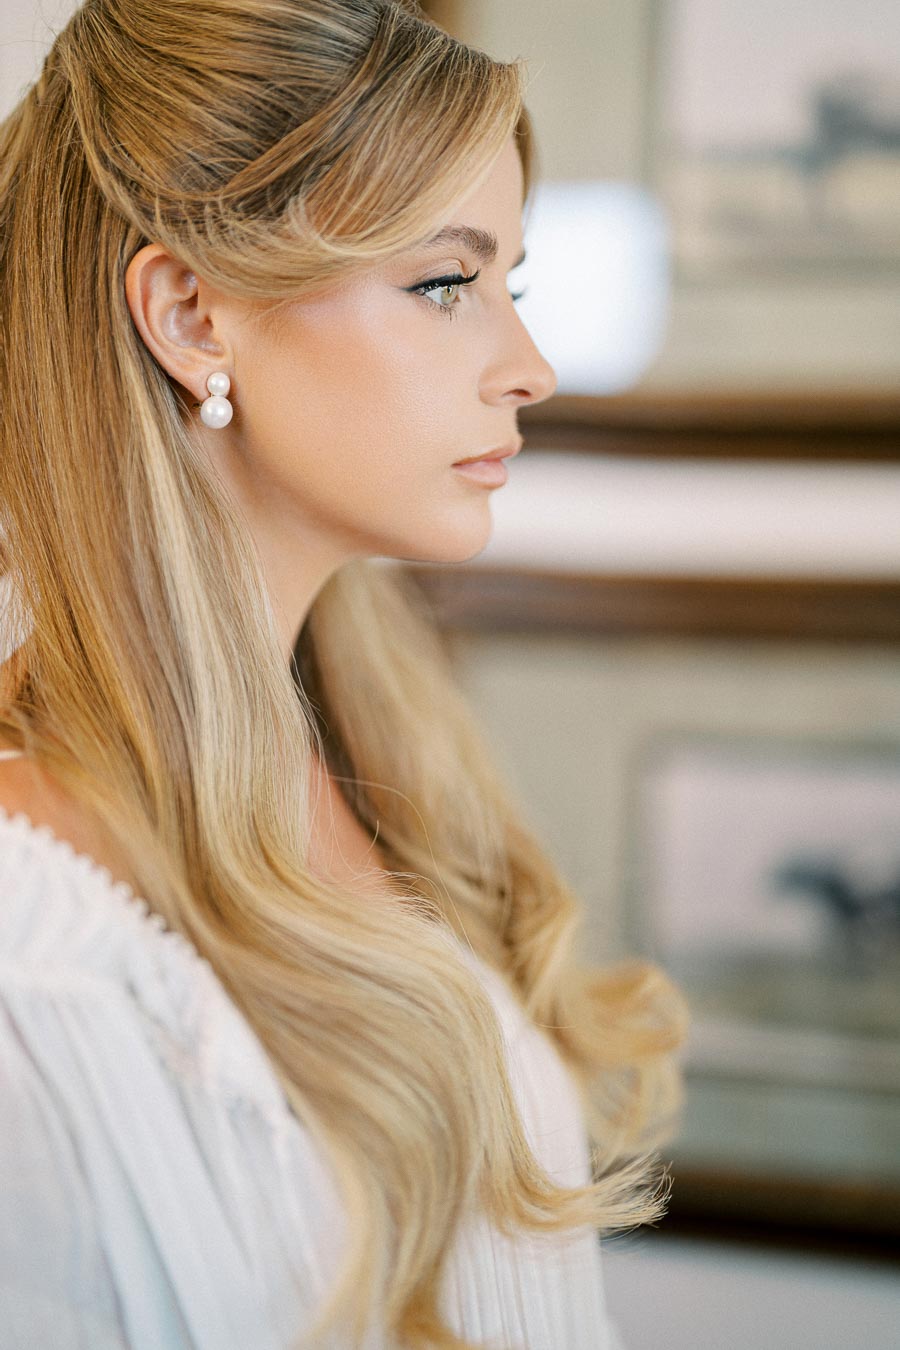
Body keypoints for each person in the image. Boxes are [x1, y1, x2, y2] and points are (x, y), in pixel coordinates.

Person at [0, 1, 689, 1345]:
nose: (531, 367)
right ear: (191, 312)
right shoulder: (36, 950)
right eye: (446, 282)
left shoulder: (377, 761)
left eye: (516, 285)